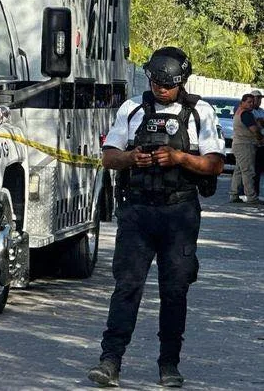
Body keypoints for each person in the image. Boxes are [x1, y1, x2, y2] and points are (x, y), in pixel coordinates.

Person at [87, 47, 225, 388]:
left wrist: (179, 158)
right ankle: (110, 361)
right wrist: (133, 158)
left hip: (179, 213)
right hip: (137, 211)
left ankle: (169, 364)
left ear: (181, 82)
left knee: (175, 291)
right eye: (155, 81)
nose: (160, 88)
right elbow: (108, 157)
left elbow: (215, 164)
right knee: (126, 287)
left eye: (167, 83)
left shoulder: (200, 113)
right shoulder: (132, 107)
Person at [229, 93, 264, 203]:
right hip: (245, 145)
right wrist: (260, 139)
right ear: (242, 102)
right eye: (249, 102)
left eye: (252, 102)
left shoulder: (239, 112)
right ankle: (251, 197)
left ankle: (234, 194)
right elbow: (254, 130)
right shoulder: (246, 114)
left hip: (239, 144)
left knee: (239, 171)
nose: (251, 104)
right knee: (248, 171)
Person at [250, 90, 264, 196]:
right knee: (252, 170)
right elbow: (256, 125)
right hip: (253, 143)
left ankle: (256, 193)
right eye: (257, 98)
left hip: (261, 143)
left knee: (258, 170)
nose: (259, 100)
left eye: (260, 98)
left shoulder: (261, 111)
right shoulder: (249, 111)